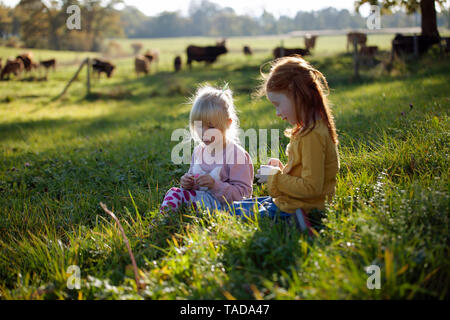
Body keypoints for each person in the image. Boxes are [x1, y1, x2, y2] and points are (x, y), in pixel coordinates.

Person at [230, 55, 340, 236]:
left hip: (302, 206)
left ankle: (298, 220)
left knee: (233, 213)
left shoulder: (312, 135)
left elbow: (312, 187)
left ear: (295, 94)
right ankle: (293, 218)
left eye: (278, 104)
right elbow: (303, 173)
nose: (277, 113)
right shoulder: (309, 129)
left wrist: (275, 177)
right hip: (293, 200)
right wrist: (282, 169)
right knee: (236, 206)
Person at [160, 84, 254, 214]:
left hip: (225, 208)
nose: (204, 133)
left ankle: (166, 220)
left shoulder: (236, 155)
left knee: (177, 196)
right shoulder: (199, 151)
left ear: (227, 123)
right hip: (202, 201)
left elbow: (244, 195)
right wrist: (188, 183)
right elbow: (196, 184)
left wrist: (215, 185)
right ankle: (166, 219)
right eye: (199, 126)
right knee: (175, 192)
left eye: (211, 127)